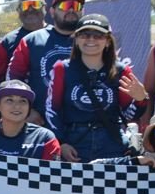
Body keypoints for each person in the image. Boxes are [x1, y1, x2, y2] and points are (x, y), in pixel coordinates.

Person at [44, 14, 147, 162]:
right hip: (74, 143)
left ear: (107, 41)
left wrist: (141, 100)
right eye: (85, 35)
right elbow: (52, 110)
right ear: (77, 40)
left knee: (112, 185)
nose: (91, 39)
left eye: (98, 35)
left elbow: (129, 115)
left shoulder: (121, 71)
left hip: (111, 143)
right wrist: (61, 143)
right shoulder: (62, 68)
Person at [7, 0, 86, 122]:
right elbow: (13, 79)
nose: (71, 10)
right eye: (65, 6)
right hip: (41, 122)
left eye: (76, 5)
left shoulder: (93, 40)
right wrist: (28, 111)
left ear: (83, 11)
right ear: (52, 11)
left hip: (82, 122)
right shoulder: (32, 40)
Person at [0, 80, 62, 159]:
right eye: (9, 100)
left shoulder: (45, 139)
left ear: (29, 107)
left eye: (23, 101)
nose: (17, 106)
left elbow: (53, 177)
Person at [0, 0, 47, 89]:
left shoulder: (57, 36)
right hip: (19, 103)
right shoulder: (7, 42)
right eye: (25, 6)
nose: (30, 9)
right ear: (18, 11)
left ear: (45, 7)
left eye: (35, 4)